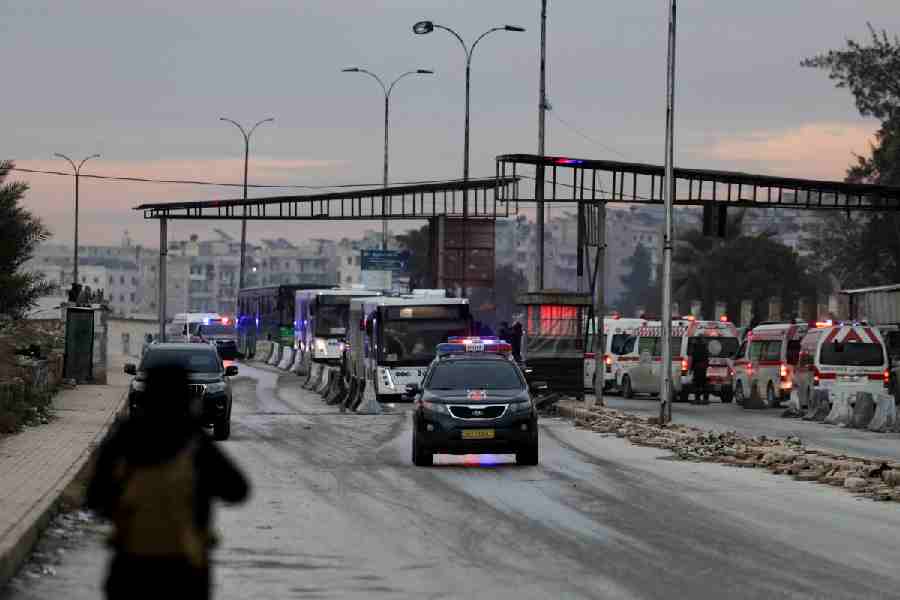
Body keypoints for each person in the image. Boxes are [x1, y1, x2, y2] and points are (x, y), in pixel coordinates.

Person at [86, 366, 250, 600]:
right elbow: (237, 490)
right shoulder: (195, 440)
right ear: (185, 397)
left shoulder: (124, 437)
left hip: (131, 567)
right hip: (185, 569)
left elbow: (95, 498)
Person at [690, 339, 710, 404]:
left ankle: (697, 399)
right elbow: (707, 360)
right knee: (704, 385)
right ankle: (705, 399)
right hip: (704, 370)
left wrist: (691, 369)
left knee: (697, 385)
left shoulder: (695, 350)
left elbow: (694, 361)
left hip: (697, 369)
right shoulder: (705, 350)